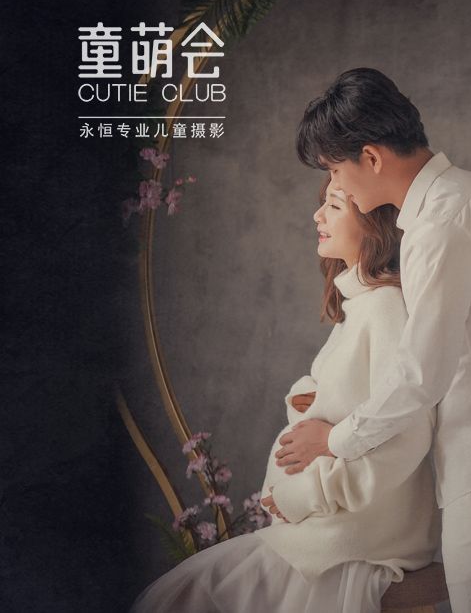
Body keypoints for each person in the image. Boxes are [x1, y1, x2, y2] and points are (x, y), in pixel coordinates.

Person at [276, 67, 471, 612]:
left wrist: (334, 439)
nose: (336, 187)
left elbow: (421, 375)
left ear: (371, 158)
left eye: (336, 170)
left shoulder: (440, 222)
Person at [130, 175, 440, 613]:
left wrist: (304, 494)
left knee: (178, 598)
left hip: (345, 541)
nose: (317, 215)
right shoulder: (360, 306)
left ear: (374, 226)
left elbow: (404, 436)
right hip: (320, 532)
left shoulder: (385, 307)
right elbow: (354, 403)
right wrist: (309, 399)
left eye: (334, 205)